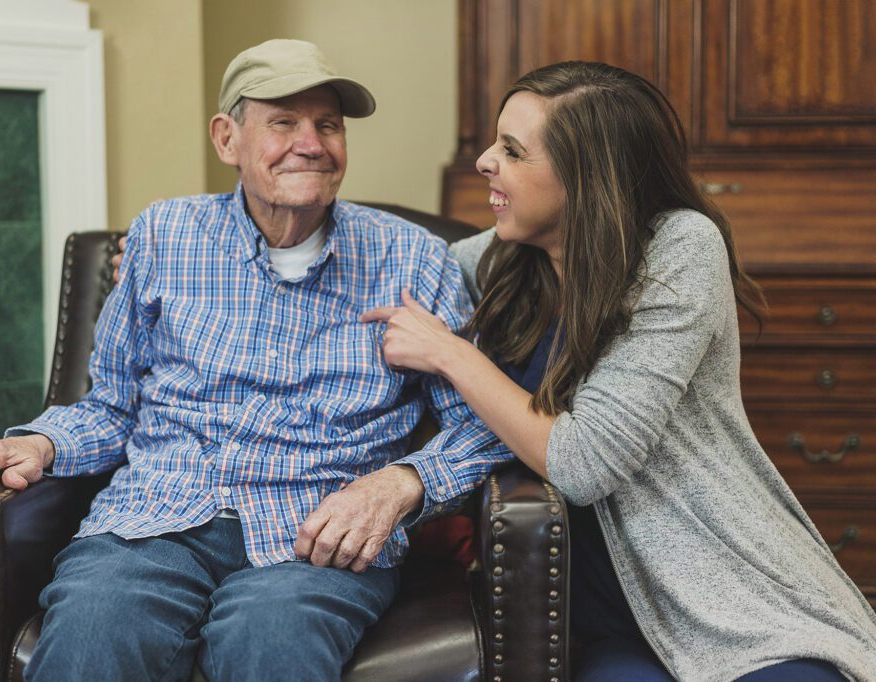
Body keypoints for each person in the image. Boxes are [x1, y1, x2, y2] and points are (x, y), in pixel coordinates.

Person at [0, 39, 510, 681]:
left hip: (317, 535)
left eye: (328, 125)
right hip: (155, 518)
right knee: (91, 632)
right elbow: (113, 405)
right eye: (283, 123)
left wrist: (400, 484)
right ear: (227, 138)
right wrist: (39, 443)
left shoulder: (414, 259)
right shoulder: (163, 237)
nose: (311, 143)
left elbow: (481, 425)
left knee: (271, 642)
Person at [360, 61, 876, 681]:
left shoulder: (680, 249)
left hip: (730, 600)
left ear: (587, 176)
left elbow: (584, 462)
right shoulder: (503, 261)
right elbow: (401, 270)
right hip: (607, 617)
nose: (484, 161)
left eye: (513, 151)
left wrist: (451, 352)